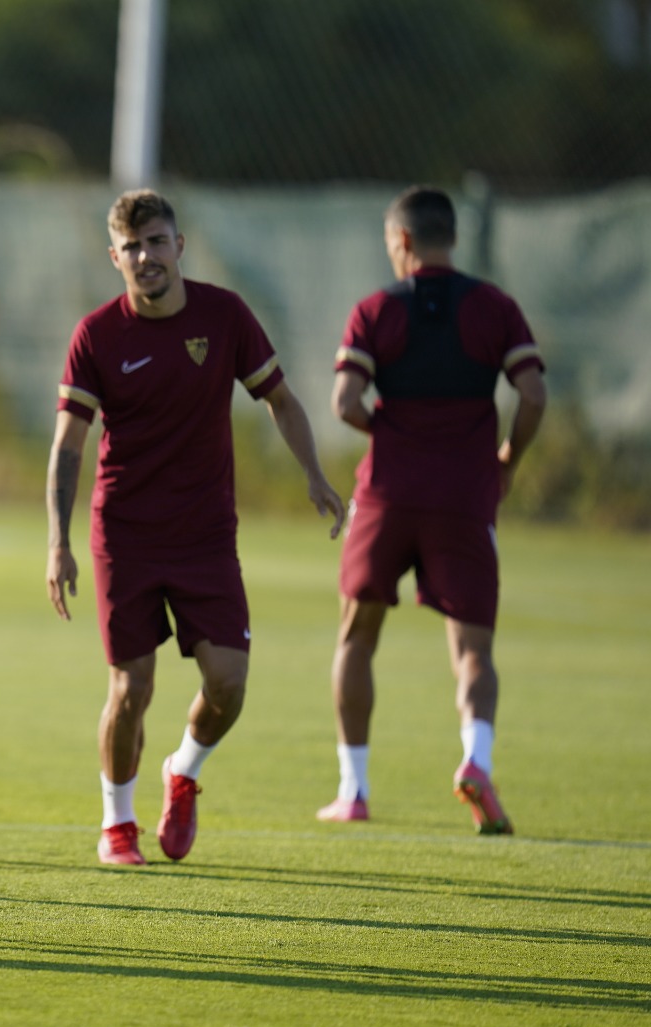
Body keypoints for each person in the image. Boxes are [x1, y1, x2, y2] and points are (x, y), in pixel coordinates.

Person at [45, 189, 343, 866]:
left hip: (206, 534)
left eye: (157, 242)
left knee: (229, 683)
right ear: (114, 256)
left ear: (180, 245)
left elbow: (281, 399)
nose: (146, 256)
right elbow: (68, 445)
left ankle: (182, 770)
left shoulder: (225, 315)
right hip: (124, 532)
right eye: (132, 247)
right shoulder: (97, 334)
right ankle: (117, 825)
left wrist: (315, 476)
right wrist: (59, 541)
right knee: (132, 687)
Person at [321, 185, 545, 833]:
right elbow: (532, 391)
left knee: (357, 636)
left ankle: (353, 789)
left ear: (403, 242)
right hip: (466, 497)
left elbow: (343, 402)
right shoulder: (495, 307)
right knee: (474, 649)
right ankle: (475, 761)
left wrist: (390, 432)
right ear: (451, 238)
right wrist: (507, 458)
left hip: (386, 494)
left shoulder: (374, 310)